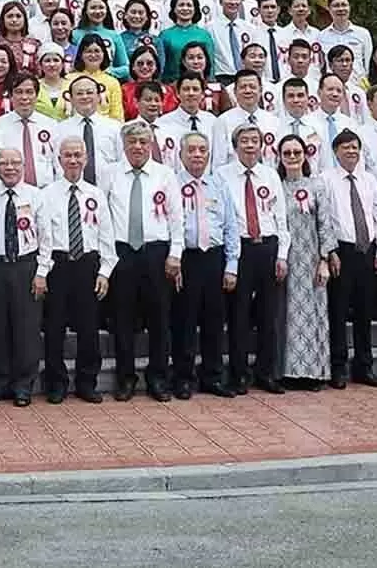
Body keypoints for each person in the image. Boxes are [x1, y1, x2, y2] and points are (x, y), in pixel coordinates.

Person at [104, 123, 181, 403]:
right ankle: (125, 378)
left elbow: (176, 218)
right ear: (124, 145)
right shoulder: (110, 174)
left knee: (159, 318)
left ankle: (158, 378)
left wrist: (176, 254)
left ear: (151, 145)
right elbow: (102, 215)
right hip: (122, 253)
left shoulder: (165, 174)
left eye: (143, 142)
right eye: (132, 141)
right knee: (122, 318)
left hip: (156, 253)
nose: (137, 147)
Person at [218, 122, 288, 395]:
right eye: (244, 141)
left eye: (254, 141)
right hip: (240, 249)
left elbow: (280, 218)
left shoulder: (270, 175)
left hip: (268, 248)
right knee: (239, 315)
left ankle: (266, 372)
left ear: (261, 146)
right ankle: (238, 374)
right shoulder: (222, 175)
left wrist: (281, 255)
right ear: (235, 147)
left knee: (269, 315)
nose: (250, 145)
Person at [38, 137, 107, 404]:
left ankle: (87, 382)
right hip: (58, 263)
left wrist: (105, 272)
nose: (73, 160)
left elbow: (105, 234)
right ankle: (56, 383)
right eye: (68, 155)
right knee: (54, 327)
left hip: (88, 263)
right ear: (59, 160)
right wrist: (42, 271)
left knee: (89, 327)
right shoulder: (47, 194)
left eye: (78, 155)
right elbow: (44, 237)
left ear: (86, 159)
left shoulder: (96, 194)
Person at [0, 145, 50, 405]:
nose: (9, 168)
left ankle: (23, 385)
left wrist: (42, 272)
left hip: (26, 265)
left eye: (14, 163)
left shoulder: (36, 195)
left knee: (27, 328)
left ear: (23, 167)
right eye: (4, 164)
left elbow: (46, 237)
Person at [172, 133, 236, 400]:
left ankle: (212, 376)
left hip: (214, 257)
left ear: (209, 155)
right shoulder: (172, 184)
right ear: (181, 155)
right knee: (184, 320)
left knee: (214, 319)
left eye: (202, 150)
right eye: (192, 150)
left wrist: (231, 265)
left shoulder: (218, 185)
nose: (197, 154)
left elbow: (231, 225)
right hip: (186, 257)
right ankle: (184, 378)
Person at [324, 130, 377, 389]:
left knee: (365, 312)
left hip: (367, 250)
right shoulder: (325, 180)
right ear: (335, 151)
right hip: (342, 251)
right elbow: (325, 218)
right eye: (345, 147)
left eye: (355, 147)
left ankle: (365, 366)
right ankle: (338, 368)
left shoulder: (368, 179)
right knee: (338, 312)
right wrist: (330, 252)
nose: (351, 152)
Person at [274, 135, 336, 389]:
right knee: (286, 317)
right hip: (285, 260)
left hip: (311, 260)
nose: (291, 157)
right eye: (286, 153)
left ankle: (313, 373)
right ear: (279, 157)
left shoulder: (317, 186)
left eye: (296, 152)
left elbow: (325, 223)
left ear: (304, 155)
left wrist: (324, 259)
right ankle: (288, 371)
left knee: (313, 315)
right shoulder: (275, 186)